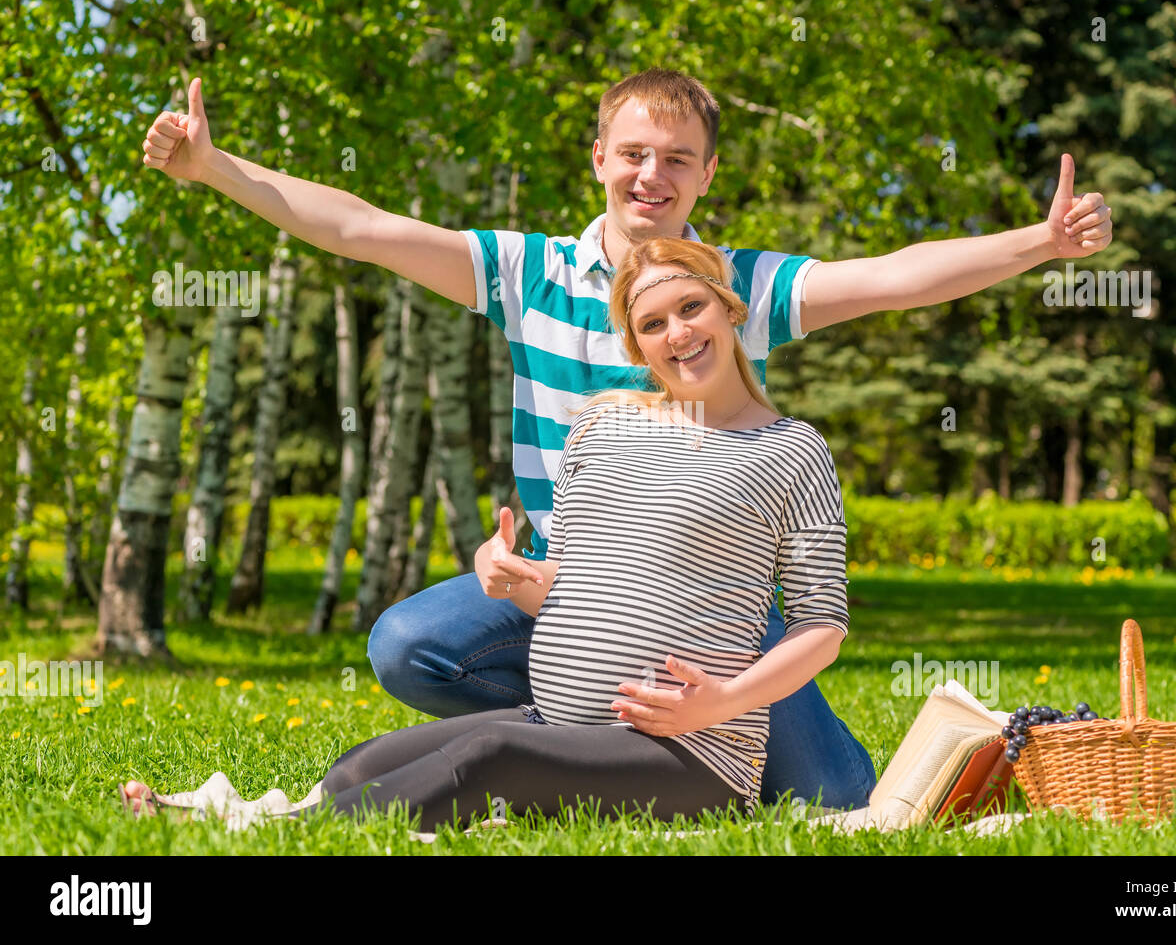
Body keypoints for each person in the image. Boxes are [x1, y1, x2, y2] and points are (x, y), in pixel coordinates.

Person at [140, 66, 1111, 810]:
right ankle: (600, 735)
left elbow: (898, 275)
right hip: (561, 597)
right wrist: (213, 167)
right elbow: (358, 226)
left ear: (706, 174)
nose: (653, 174)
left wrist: (1040, 242)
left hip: (712, 621)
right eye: (635, 153)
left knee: (834, 801)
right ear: (600, 158)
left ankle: (650, 731)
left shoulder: (738, 288)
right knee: (408, 646)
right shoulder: (529, 273)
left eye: (677, 157)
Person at [123, 236, 854, 829]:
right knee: (361, 763)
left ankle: (276, 837)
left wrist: (720, 702)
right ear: (637, 345)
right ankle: (249, 813)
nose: (678, 334)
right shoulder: (602, 425)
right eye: (652, 324)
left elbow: (822, 624)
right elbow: (566, 581)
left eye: (691, 307)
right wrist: (514, 574)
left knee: (490, 753)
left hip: (691, 754)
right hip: (560, 719)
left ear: (729, 308)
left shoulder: (790, 449)